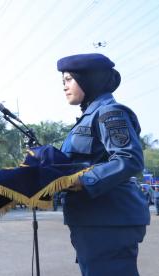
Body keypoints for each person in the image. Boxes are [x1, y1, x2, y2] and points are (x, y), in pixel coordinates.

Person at [57, 53, 149, 276]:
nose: (64, 87)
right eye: (63, 82)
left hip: (109, 220)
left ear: (89, 79)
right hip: (94, 218)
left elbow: (129, 158)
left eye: (69, 79)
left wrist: (82, 180)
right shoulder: (88, 117)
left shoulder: (109, 113)